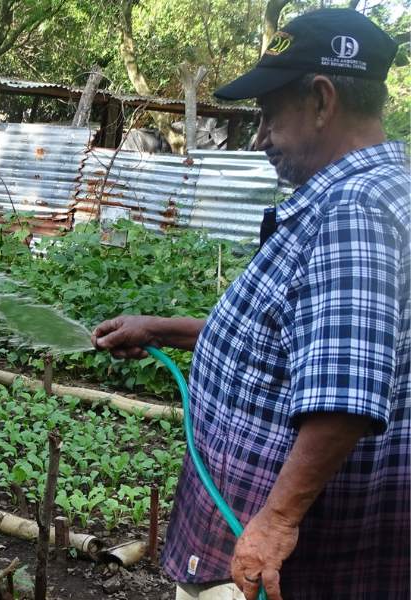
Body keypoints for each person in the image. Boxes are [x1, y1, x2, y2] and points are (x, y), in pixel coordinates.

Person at [92, 8, 409, 600]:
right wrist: (162, 328)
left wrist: (276, 522)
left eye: (268, 115)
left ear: (322, 101)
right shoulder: (368, 194)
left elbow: (345, 392)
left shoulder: (352, 211)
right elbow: (300, 338)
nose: (260, 138)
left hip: (275, 554)